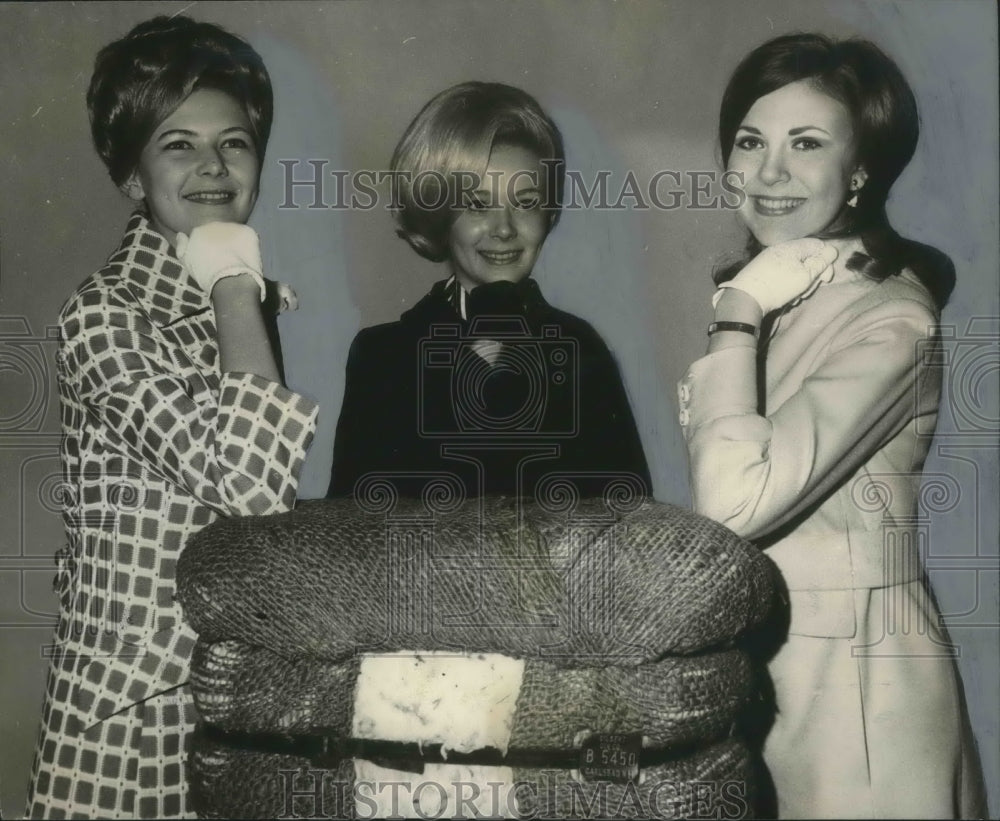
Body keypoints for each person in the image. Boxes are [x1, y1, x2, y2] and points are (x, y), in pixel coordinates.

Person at [677, 33, 987, 818]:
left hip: (859, 693)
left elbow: (732, 505)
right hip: (765, 676)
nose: (769, 171)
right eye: (751, 141)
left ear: (860, 171)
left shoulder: (890, 317)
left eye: (806, 143)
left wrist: (736, 310)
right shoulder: (786, 294)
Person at [24, 16, 318, 819]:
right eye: (178, 145)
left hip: (230, 692)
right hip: (130, 709)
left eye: (235, 143)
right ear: (132, 175)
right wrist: (236, 288)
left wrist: (237, 295)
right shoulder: (104, 314)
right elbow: (253, 489)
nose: (214, 166)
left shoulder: (230, 299)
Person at [328, 81, 651, 503]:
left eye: (526, 202)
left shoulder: (580, 349)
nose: (504, 228)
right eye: (478, 204)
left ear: (549, 211)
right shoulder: (382, 356)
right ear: (439, 215)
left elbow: (630, 512)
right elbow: (348, 522)